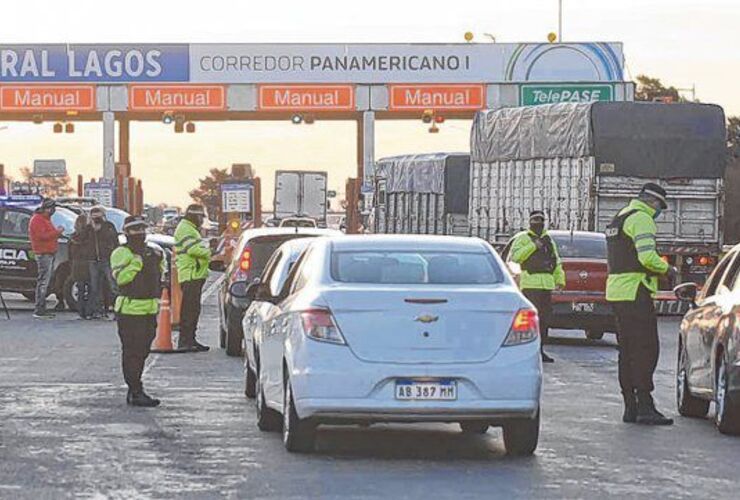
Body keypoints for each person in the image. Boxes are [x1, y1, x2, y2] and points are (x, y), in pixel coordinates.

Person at [606, 182, 677, 426]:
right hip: (636, 291)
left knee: (626, 351)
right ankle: (645, 406)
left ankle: (630, 406)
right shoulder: (642, 219)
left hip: (617, 293)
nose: (659, 211)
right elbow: (647, 257)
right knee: (646, 349)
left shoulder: (619, 218)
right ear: (653, 202)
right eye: (660, 206)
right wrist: (667, 269)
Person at [111, 216, 165, 407]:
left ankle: (135, 388)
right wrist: (136, 262)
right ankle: (135, 389)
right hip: (129, 310)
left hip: (149, 309)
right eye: (134, 230)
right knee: (132, 352)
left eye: (142, 229)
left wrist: (156, 262)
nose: (139, 233)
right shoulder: (121, 253)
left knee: (142, 351)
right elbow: (121, 279)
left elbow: (160, 275)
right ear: (126, 232)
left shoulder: (152, 252)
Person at [510, 210, 565, 363]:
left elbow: (556, 260)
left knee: (544, 321)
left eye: (541, 220)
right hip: (530, 285)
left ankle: (540, 350)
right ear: (530, 222)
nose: (538, 223)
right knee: (529, 321)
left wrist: (560, 279)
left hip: (546, 285)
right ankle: (526, 352)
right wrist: (533, 246)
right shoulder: (523, 238)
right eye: (535, 220)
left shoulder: (549, 240)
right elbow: (515, 257)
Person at [174, 204, 211, 352]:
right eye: (201, 217)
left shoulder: (189, 228)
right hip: (190, 274)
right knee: (189, 310)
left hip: (194, 274)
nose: (202, 220)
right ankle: (185, 341)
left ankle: (191, 339)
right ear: (195, 216)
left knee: (193, 309)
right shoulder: (186, 229)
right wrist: (209, 251)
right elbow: (193, 249)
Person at [28, 198, 64, 318]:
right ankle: (39, 309)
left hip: (49, 252)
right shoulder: (38, 220)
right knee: (43, 282)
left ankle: (41, 307)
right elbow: (42, 236)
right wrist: (57, 232)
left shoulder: (46, 220)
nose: (53, 211)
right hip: (43, 253)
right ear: (47, 208)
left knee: (46, 281)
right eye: (52, 208)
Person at [88, 206, 120, 319]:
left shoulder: (109, 226)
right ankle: (98, 310)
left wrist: (101, 229)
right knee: (95, 286)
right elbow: (82, 239)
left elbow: (114, 240)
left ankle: (117, 310)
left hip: (107, 258)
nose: (96, 219)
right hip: (93, 260)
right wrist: (91, 227)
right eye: (94, 216)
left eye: (99, 216)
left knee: (113, 285)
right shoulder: (89, 228)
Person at [69, 214, 93, 319]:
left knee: (80, 289)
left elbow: (69, 254)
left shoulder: (72, 237)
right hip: (88, 264)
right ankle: (89, 311)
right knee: (92, 289)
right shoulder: (90, 236)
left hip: (76, 264)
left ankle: (81, 312)